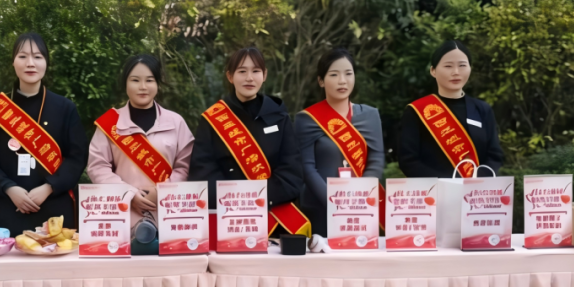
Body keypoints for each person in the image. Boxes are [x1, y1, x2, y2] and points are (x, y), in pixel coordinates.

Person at [0, 32, 89, 235]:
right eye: (23, 56)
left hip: (55, 210)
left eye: (37, 57)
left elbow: (77, 157)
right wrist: (9, 188)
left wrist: (49, 187)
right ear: (13, 62)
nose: (30, 63)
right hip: (8, 209)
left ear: (46, 62)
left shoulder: (64, 108)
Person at [188, 46, 308, 237]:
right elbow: (202, 173)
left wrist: (258, 198)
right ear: (230, 76)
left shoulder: (279, 117)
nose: (249, 78)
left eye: (256, 71)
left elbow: (291, 172)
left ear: (264, 75)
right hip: (228, 220)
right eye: (242, 71)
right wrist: (236, 201)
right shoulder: (213, 120)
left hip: (273, 220)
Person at [87, 54, 195, 241]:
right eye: (135, 80)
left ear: (158, 83)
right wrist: (128, 194)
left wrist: (162, 191)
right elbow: (98, 166)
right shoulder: (110, 124)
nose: (143, 87)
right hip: (122, 216)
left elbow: (186, 165)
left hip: (169, 215)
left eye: (149, 80)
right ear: (125, 83)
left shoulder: (176, 122)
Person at [297, 49, 385, 236]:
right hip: (319, 208)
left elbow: (376, 159)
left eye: (348, 74)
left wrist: (360, 197)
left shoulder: (370, 115)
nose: (342, 80)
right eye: (334, 74)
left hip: (361, 207)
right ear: (321, 81)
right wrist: (334, 202)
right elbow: (307, 168)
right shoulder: (307, 119)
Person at [399, 40, 504, 178]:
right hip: (434, 189)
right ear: (433, 71)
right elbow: (409, 161)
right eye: (448, 66)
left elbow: (495, 156)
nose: (456, 72)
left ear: (470, 69)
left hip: (477, 189)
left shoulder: (482, 109)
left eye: (462, 65)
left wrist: (478, 180)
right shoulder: (416, 111)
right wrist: (445, 184)